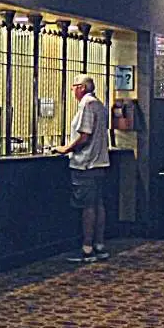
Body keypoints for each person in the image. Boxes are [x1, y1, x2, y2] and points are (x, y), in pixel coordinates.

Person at [53, 74, 111, 263]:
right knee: (98, 204)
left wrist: (65, 148)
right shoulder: (99, 105)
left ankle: (87, 248)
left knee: (87, 206)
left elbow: (84, 136)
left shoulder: (86, 105)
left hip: (86, 164)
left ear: (81, 87)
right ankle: (99, 245)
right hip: (100, 162)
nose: (72, 90)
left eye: (74, 86)